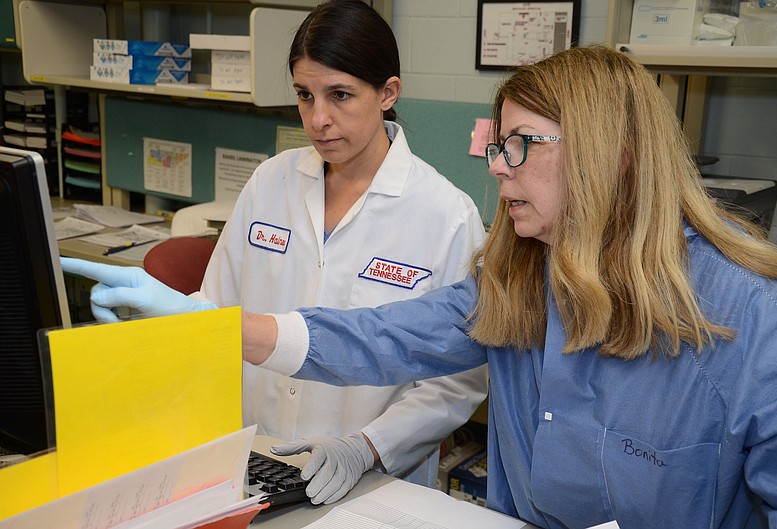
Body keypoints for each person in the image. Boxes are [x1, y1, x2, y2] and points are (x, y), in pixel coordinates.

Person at [63, 45, 777, 527]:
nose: (498, 167)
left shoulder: (755, 318)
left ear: (618, 156)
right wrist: (208, 326)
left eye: (522, 145)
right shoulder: (521, 278)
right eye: (497, 145)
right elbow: (381, 337)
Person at [62, 0, 488, 507]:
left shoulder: (446, 216)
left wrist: (366, 447)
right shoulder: (271, 182)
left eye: (341, 95)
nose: (319, 119)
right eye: (305, 96)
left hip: (371, 481)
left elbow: (455, 383)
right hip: (254, 464)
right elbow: (216, 309)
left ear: (388, 93)